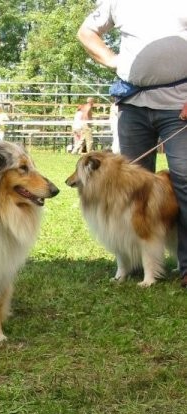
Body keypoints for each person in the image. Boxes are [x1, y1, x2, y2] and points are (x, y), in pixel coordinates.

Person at [77, 0, 187, 288]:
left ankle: (186, 265)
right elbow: (86, 32)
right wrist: (114, 60)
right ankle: (136, 260)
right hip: (132, 105)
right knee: (130, 189)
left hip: (179, 105)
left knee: (185, 179)